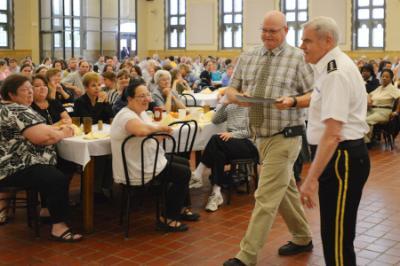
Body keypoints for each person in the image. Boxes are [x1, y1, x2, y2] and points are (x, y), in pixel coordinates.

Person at [223, 10, 314, 266]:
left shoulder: (299, 58)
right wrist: (236, 96)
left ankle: (247, 255)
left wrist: (294, 101)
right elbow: (232, 88)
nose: (267, 35)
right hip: (258, 135)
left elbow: (315, 94)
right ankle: (302, 236)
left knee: (264, 196)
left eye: (273, 31)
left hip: (286, 136)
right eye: (264, 30)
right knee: (283, 189)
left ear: (286, 31)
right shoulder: (249, 55)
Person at [299, 17, 370, 266]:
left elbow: (332, 134)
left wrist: (310, 180)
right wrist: (295, 101)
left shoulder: (335, 73)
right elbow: (321, 100)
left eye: (307, 40)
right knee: (334, 233)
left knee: (337, 237)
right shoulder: (330, 65)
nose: (302, 45)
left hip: (341, 158)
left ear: (327, 40)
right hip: (341, 156)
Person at [0, 74, 82, 241]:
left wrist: (54, 132)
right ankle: (58, 226)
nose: (30, 93)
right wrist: (64, 132)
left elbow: (44, 130)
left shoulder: (7, 108)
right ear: (11, 94)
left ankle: (47, 208)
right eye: (25, 90)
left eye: (31, 89)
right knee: (56, 178)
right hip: (16, 165)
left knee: (62, 166)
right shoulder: (17, 110)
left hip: (17, 162)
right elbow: (43, 137)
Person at [110, 79, 199, 232]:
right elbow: (141, 131)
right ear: (130, 99)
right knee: (183, 173)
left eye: (147, 95)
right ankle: (168, 218)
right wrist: (160, 128)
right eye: (141, 96)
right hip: (137, 166)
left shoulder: (141, 113)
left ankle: (181, 208)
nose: (147, 99)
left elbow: (151, 135)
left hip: (148, 159)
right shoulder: (125, 115)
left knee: (184, 163)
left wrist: (160, 132)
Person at [191, 101, 259, 212]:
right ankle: (216, 193)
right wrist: (224, 104)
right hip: (231, 144)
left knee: (215, 139)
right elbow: (215, 120)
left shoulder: (250, 105)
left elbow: (251, 132)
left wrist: (232, 134)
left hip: (248, 145)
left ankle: (198, 173)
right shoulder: (231, 105)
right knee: (218, 153)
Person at [365, 68, 400, 143]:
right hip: (372, 110)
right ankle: (366, 140)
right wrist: (369, 99)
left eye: (387, 77)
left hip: (383, 112)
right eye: (383, 76)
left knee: (366, 121)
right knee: (359, 119)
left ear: (391, 79)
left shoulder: (392, 88)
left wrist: (396, 111)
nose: (384, 78)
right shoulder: (379, 87)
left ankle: (366, 142)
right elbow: (369, 94)